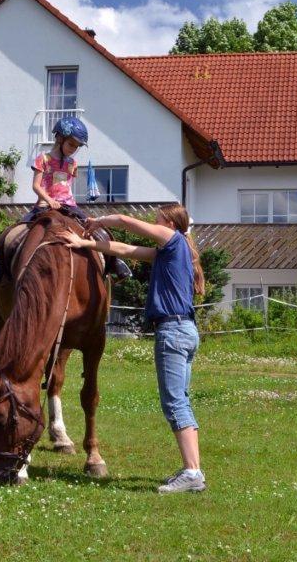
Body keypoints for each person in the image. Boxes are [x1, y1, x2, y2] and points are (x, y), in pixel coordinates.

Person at [58, 203, 207, 494]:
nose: (155, 221)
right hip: (186, 330)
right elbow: (124, 249)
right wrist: (85, 242)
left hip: (173, 332)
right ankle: (193, 470)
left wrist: (94, 220)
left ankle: (192, 472)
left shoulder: (172, 240)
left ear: (171, 224)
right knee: (181, 402)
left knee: (175, 404)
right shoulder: (172, 252)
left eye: (159, 219)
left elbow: (126, 221)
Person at [0, 116, 131, 282]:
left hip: (69, 205)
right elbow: (36, 186)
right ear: (59, 138)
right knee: (13, 233)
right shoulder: (43, 159)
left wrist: (69, 203)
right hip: (44, 205)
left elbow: (66, 187)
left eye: (77, 146)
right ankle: (1, 267)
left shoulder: (73, 163)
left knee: (99, 230)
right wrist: (49, 200)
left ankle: (115, 263)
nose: (73, 149)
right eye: (71, 144)